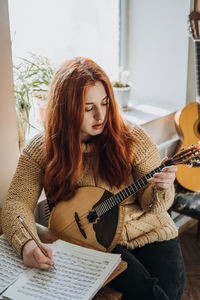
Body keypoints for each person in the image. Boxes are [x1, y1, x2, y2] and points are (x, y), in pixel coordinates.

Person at [2, 57, 185, 300]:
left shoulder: (133, 138)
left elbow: (154, 206)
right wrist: (26, 243)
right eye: (88, 108)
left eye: (105, 103)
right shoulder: (42, 149)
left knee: (172, 290)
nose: (101, 115)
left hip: (149, 226)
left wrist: (163, 187)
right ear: (65, 108)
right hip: (96, 239)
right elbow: (15, 203)